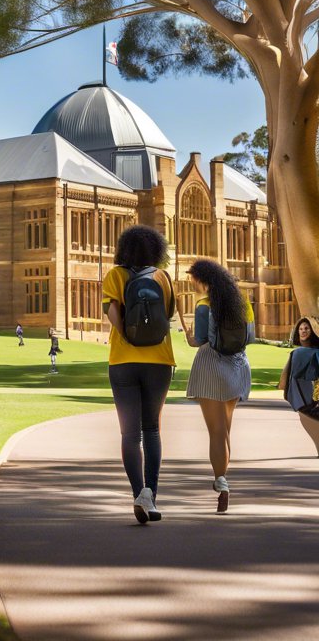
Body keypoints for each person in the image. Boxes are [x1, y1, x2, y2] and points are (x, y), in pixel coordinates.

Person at [103, 225, 177, 525]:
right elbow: (168, 315)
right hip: (159, 359)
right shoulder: (163, 277)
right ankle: (152, 497)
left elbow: (111, 312)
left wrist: (127, 336)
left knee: (129, 434)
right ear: (156, 250)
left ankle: (138, 493)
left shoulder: (115, 275)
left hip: (123, 360)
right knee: (152, 430)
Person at [183, 258, 254, 513]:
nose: (192, 285)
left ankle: (221, 482)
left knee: (216, 431)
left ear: (203, 280)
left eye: (193, 280)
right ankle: (223, 479)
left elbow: (201, 340)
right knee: (225, 428)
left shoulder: (204, 305)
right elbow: (251, 337)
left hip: (212, 366)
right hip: (237, 366)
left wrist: (190, 338)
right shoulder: (243, 301)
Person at [279, 316, 319, 456]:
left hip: (311, 397)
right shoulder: (296, 353)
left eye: (306, 328)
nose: (303, 331)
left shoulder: (313, 352)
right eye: (301, 329)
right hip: (301, 395)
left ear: (313, 330)